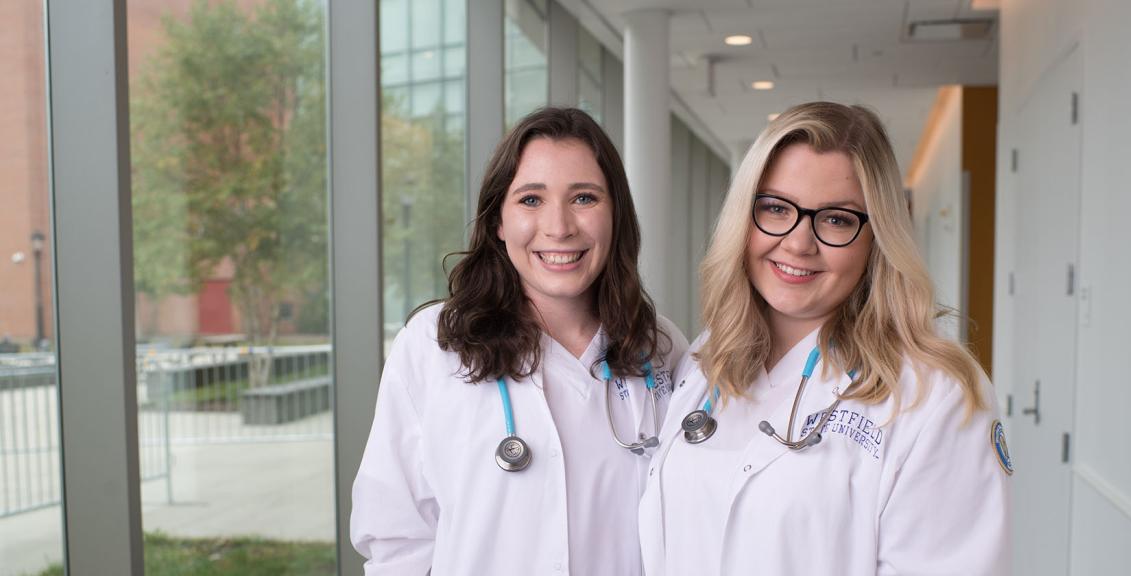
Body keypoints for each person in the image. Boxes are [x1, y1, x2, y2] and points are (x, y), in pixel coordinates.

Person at [638, 102, 1010, 576]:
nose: (798, 243)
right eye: (775, 208)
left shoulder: (936, 397)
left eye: (836, 219)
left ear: (878, 236)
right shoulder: (709, 357)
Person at [351, 107, 687, 576]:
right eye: (531, 200)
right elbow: (397, 540)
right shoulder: (433, 346)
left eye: (585, 198)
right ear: (498, 223)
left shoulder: (661, 348)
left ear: (617, 217)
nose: (559, 227)